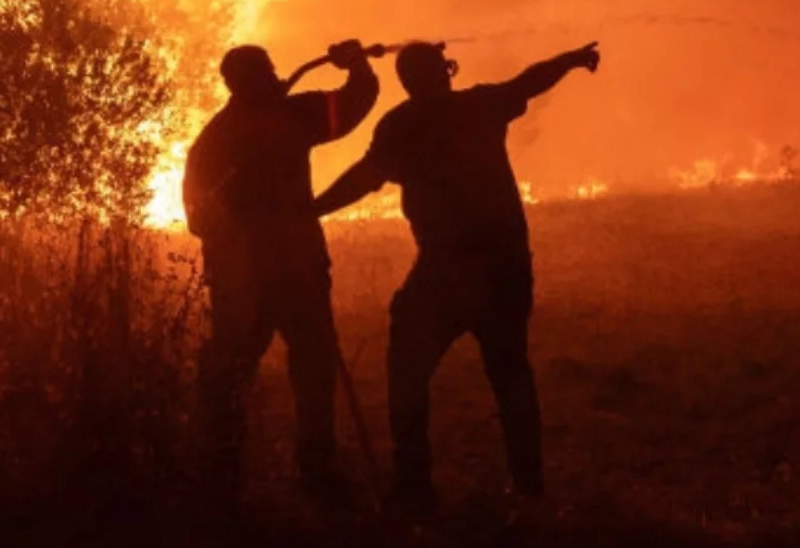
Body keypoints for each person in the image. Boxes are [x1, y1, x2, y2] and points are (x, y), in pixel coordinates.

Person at [314, 39, 600, 509]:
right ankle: (528, 487)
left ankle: (414, 486)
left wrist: (313, 209)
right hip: (505, 263)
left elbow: (366, 177)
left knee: (408, 368)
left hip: (445, 269)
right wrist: (569, 59)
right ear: (445, 71)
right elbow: (530, 80)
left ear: (406, 81)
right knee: (510, 371)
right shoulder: (481, 106)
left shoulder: (402, 124)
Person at [183, 38, 380, 506]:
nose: (275, 77)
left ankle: (264, 466)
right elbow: (199, 216)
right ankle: (246, 468)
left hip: (273, 274)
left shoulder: (239, 131)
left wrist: (357, 67)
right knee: (263, 369)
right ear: (244, 82)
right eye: (266, 72)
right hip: (273, 274)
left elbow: (352, 104)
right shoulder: (273, 124)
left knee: (288, 366)